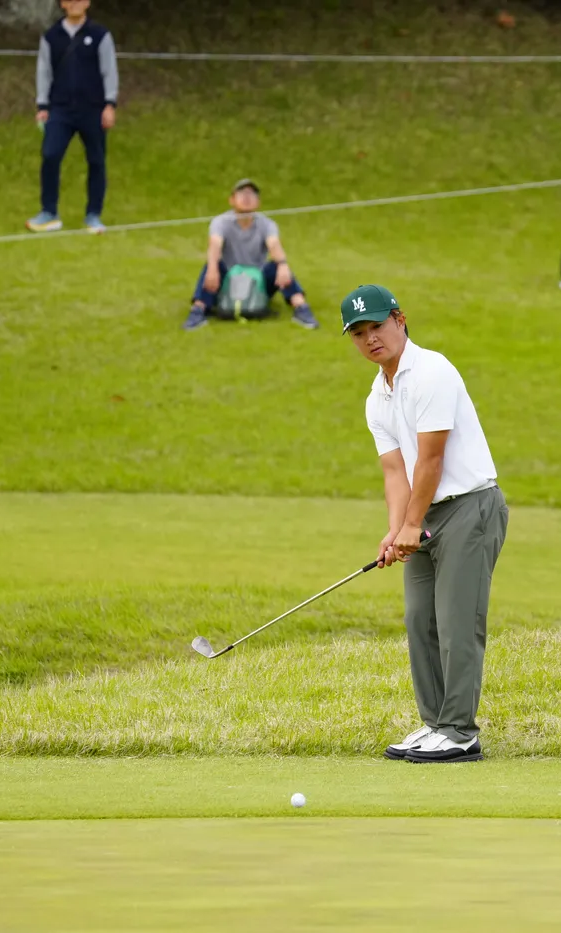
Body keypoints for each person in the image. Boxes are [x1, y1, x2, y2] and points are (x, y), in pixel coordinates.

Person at [342, 284, 509, 764]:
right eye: (359, 333)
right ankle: (435, 723)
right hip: (424, 513)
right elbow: (395, 472)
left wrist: (412, 524)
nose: (370, 339)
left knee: (457, 624)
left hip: (470, 506)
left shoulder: (433, 371)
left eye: (376, 326)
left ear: (399, 319)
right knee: (421, 621)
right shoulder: (377, 397)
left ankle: (459, 732)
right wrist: (396, 529)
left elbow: (431, 460)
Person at [27, 0, 119, 234]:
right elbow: (44, 72)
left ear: (87, 3)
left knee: (96, 160)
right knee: (50, 155)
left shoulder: (100, 35)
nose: (75, 3)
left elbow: (109, 71)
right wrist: (42, 105)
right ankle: (49, 212)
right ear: (63, 4)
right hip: (60, 109)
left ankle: (93, 215)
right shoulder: (51, 37)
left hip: (93, 109)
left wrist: (109, 104)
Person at [183, 179, 319, 330]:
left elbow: (274, 244)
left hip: (257, 282)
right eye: (242, 193)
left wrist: (282, 265)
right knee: (212, 265)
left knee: (277, 266)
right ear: (231, 200)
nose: (247, 197)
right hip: (228, 280)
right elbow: (215, 244)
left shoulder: (267, 224)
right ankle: (198, 310)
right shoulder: (220, 222)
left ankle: (301, 308)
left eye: (252, 194)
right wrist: (212, 268)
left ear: (258, 202)